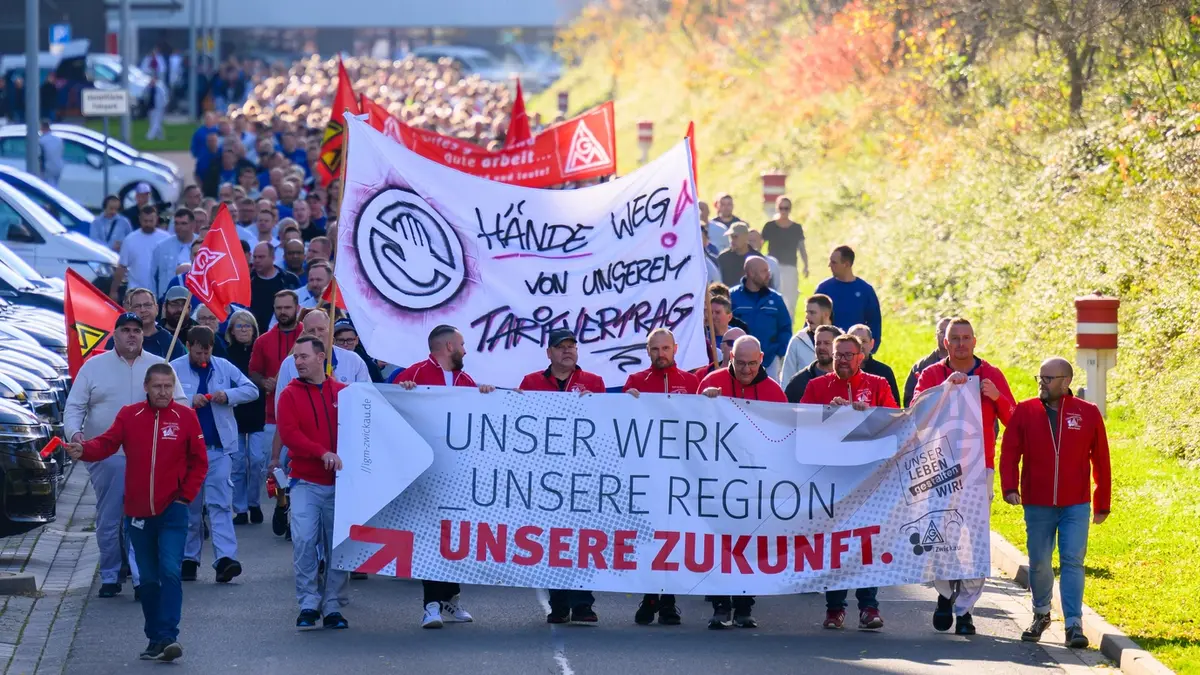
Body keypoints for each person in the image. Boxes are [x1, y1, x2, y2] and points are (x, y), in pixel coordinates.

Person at [66, 363, 206, 662]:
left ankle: (169, 635)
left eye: (168, 386)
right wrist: (84, 449)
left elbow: (199, 462)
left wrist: (185, 498)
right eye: (157, 386)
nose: (163, 392)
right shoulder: (130, 415)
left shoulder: (187, 418)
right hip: (138, 513)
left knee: (170, 571)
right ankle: (155, 637)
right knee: (149, 578)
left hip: (173, 511)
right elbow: (106, 443)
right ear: (146, 387)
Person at [64, 313, 186, 600]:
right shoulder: (93, 367)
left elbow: (179, 404)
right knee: (110, 518)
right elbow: (74, 407)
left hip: (150, 457)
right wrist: (74, 434)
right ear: (115, 334)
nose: (132, 335)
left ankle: (142, 577)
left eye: (137, 330)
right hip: (107, 456)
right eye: (125, 330)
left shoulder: (158, 366)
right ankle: (110, 574)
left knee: (140, 519)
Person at [913, 317, 1016, 635]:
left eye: (965, 338)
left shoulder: (990, 374)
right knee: (944, 537)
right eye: (953, 338)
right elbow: (916, 412)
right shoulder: (932, 373)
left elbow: (1015, 421)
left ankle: (966, 609)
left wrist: (997, 397)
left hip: (978, 469)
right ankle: (945, 596)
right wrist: (942, 391)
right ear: (944, 343)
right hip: (942, 468)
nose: (960, 343)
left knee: (975, 540)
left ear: (975, 341)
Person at [1001, 357, 1110, 649]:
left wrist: (1102, 501)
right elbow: (1010, 451)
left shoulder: (1087, 413)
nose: (1042, 383)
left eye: (1048, 379)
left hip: (1076, 502)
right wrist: (1010, 486)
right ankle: (1041, 613)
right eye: (1040, 378)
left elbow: (1100, 458)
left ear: (1065, 382)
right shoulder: (1025, 411)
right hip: (1037, 502)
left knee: (1073, 560)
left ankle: (1074, 624)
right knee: (1039, 562)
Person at [391, 325, 496, 628]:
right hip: (425, 470)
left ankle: (451, 599)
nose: (466, 350)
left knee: (456, 536)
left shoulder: (466, 380)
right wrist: (403, 391)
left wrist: (485, 396)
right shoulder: (415, 373)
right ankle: (431, 604)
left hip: (458, 473)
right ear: (449, 347)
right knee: (430, 536)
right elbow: (389, 405)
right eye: (462, 344)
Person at [800, 334, 896, 630]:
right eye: (837, 354)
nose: (841, 359)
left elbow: (895, 420)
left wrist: (870, 415)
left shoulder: (878, 384)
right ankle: (834, 609)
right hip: (832, 479)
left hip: (868, 479)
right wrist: (826, 413)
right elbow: (801, 424)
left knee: (867, 543)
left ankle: (869, 607)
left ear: (861, 356)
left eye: (848, 355)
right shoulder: (817, 386)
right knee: (834, 544)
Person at [514, 329, 606, 623]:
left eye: (572, 346)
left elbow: (607, 422)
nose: (568, 351)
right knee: (553, 539)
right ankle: (559, 603)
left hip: (582, 474)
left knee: (582, 538)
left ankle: (583, 603)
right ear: (549, 353)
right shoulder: (530, 382)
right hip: (545, 475)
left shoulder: (594, 382)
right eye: (561, 347)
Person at [696, 335, 786, 629]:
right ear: (730, 357)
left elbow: (784, 436)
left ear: (761, 358)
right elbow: (690, 426)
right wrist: (703, 403)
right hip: (717, 481)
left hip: (755, 484)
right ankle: (721, 606)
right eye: (740, 363)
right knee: (719, 543)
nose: (746, 370)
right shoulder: (712, 382)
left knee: (750, 545)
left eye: (752, 363)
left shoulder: (773, 391)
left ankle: (745, 605)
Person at [170, 326, 257, 583]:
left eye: (207, 351)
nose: (203, 357)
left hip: (219, 449)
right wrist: (189, 402)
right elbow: (160, 400)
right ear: (189, 346)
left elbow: (251, 389)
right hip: (187, 452)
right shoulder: (174, 368)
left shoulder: (223, 366)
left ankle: (225, 559)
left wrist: (227, 395)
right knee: (190, 507)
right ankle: (189, 558)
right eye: (198, 352)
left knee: (220, 504)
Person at [623, 328, 698, 626]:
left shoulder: (691, 382)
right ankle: (651, 594)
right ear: (648, 351)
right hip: (647, 472)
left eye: (666, 348)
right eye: (655, 349)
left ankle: (668, 601)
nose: (661, 354)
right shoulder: (636, 382)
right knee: (650, 536)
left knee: (675, 537)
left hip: (681, 473)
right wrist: (627, 402)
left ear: (675, 349)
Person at [276, 337, 350, 630]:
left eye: (304, 356)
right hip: (305, 481)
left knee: (337, 548)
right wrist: (322, 452)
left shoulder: (343, 393)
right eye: (296, 357)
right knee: (305, 541)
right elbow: (289, 434)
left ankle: (332, 605)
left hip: (340, 484)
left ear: (322, 357)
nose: (299, 362)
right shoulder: (289, 395)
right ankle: (308, 601)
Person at [249, 291, 303, 530]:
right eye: (278, 307)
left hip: (304, 418)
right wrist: (264, 382)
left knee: (300, 469)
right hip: (273, 416)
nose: (283, 312)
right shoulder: (263, 341)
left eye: (287, 307)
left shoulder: (308, 339)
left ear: (297, 308)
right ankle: (282, 503)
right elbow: (253, 371)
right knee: (275, 469)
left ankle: (297, 513)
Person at [224, 310, 268, 525]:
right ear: (231, 330)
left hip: (258, 411)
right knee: (238, 463)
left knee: (258, 460)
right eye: (239, 326)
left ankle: (254, 502)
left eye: (247, 326)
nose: (244, 330)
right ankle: (240, 508)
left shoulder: (259, 351)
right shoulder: (226, 353)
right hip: (234, 413)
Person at [730, 257, 791, 378]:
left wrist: (779, 353)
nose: (769, 275)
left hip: (769, 361)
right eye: (764, 271)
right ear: (751, 273)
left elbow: (785, 327)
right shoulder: (732, 297)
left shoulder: (776, 298)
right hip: (741, 363)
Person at [815, 246, 882, 352]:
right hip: (828, 352)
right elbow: (812, 319)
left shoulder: (865, 291)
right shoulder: (824, 289)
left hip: (856, 353)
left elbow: (874, 323)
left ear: (846, 264)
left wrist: (870, 350)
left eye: (834, 262)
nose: (829, 265)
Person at [760, 195, 808, 314]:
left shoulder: (796, 228)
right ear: (777, 208)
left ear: (790, 209)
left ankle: (788, 325)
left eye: (786, 208)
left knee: (790, 299)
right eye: (781, 208)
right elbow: (760, 245)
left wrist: (806, 265)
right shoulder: (769, 226)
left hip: (790, 266)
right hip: (772, 267)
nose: (784, 211)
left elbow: (801, 248)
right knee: (772, 296)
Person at [113, 205, 170, 303]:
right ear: (140, 219)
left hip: (159, 293)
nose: (148, 224)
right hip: (134, 292)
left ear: (156, 219)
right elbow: (122, 267)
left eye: (151, 221)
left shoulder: (166, 238)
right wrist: (113, 290)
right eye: (145, 221)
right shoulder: (130, 240)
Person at [780, 294, 833, 387]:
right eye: (807, 313)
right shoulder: (797, 341)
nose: (807, 318)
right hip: (803, 399)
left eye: (812, 313)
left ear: (826, 314)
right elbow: (787, 376)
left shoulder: (839, 340)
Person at [249, 243, 300, 332]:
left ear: (272, 257)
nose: (256, 260)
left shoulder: (289, 280)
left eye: (261, 257)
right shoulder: (248, 280)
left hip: (283, 331)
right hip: (253, 333)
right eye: (255, 257)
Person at [784, 325, 840, 402]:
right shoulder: (799, 383)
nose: (821, 347)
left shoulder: (849, 378)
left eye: (827, 343)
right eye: (818, 343)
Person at [904, 317, 951, 407]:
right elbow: (909, 401)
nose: (945, 336)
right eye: (942, 332)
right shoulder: (920, 366)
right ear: (935, 335)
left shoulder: (966, 364)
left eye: (949, 332)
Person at [848, 324, 900, 404]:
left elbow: (895, 409)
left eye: (863, 341)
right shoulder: (840, 371)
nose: (859, 345)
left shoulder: (884, 372)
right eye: (855, 341)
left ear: (871, 344)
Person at [153, 209, 196, 299]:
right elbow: (152, 276)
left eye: (183, 223)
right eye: (176, 223)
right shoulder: (162, 246)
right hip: (166, 298)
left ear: (192, 225)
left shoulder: (202, 244)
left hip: (194, 297)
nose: (179, 227)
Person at [716, 223, 759, 287]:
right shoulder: (723, 258)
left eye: (735, 237)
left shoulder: (757, 258)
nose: (732, 241)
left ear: (746, 236)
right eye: (730, 237)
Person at [158, 287, 193, 362]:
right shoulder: (156, 333)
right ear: (164, 307)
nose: (180, 309)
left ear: (190, 308)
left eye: (184, 305)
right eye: (174, 305)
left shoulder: (198, 333)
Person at [38, 121, 64, 187]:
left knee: (48, 187)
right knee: (55, 186)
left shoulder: (41, 141)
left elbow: (40, 156)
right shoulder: (58, 140)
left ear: (42, 128)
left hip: (47, 168)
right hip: (58, 166)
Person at [146, 75, 169, 141]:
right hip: (151, 108)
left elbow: (164, 98)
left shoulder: (160, 88)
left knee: (155, 123)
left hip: (159, 108)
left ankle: (149, 137)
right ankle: (161, 137)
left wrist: (164, 106)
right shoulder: (149, 88)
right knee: (154, 123)